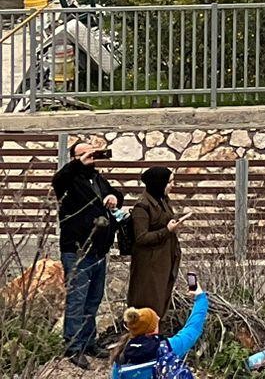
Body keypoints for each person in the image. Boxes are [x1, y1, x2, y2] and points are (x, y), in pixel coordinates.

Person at [52, 134, 121, 366]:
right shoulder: (68, 182)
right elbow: (58, 179)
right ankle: (73, 348)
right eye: (86, 154)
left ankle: (89, 342)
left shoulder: (97, 179)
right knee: (77, 300)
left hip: (99, 251)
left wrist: (113, 197)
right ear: (75, 157)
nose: (92, 157)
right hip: (78, 250)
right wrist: (77, 162)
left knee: (93, 299)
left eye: (93, 153)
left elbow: (116, 194)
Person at [111, 288, 209, 379]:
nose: (158, 319)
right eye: (156, 320)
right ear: (153, 330)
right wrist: (200, 297)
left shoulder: (121, 355)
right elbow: (193, 328)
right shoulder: (168, 348)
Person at [126, 164, 182, 321]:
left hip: (163, 260)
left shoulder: (162, 200)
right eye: (169, 182)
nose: (172, 185)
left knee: (160, 303)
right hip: (149, 265)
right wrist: (167, 230)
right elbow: (141, 237)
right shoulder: (142, 207)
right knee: (148, 305)